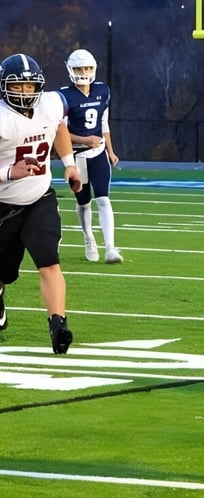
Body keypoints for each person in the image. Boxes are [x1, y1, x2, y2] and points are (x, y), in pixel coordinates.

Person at [0, 53, 82, 354]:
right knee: (3, 272)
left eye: (30, 86)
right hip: (3, 204)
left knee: (49, 261)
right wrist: (10, 172)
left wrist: (69, 164)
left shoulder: (51, 103)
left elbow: (59, 125)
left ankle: (58, 324)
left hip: (39, 197)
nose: (25, 92)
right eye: (18, 87)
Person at [59, 49, 122, 264]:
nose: (83, 72)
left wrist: (111, 151)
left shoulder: (102, 91)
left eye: (86, 68)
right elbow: (60, 133)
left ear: (93, 68)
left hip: (98, 154)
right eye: (78, 68)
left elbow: (104, 123)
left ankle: (111, 248)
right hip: (76, 157)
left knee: (103, 199)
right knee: (84, 202)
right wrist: (85, 140)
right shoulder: (63, 96)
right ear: (70, 70)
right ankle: (88, 238)